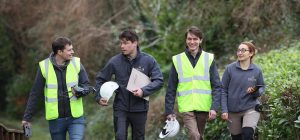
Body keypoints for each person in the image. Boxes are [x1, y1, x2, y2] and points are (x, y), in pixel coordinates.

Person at [95, 29, 164, 140]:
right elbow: (100, 79)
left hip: (140, 109)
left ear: (135, 43)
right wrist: (99, 96)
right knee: (120, 136)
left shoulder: (148, 60)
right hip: (120, 108)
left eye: (126, 43)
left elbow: (159, 81)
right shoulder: (114, 61)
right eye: (121, 43)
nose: (122, 46)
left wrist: (143, 91)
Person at [22, 37, 92, 140]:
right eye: (69, 50)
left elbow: (87, 85)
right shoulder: (44, 66)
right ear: (59, 51)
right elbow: (35, 93)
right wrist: (27, 118)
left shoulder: (76, 63)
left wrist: (81, 92)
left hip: (76, 118)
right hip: (56, 120)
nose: (72, 52)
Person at [164, 26, 222, 140]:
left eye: (195, 39)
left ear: (200, 40)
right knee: (194, 135)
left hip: (203, 105)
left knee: (199, 136)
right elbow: (171, 87)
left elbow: (216, 86)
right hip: (187, 106)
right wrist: (169, 111)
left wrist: (214, 107)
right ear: (186, 40)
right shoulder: (178, 60)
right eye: (189, 39)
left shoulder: (209, 58)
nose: (192, 42)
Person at [221, 41, 265, 140]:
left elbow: (261, 87)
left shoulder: (257, 70)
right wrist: (224, 110)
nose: (240, 53)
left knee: (248, 135)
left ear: (251, 53)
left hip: (251, 108)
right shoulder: (230, 69)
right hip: (233, 110)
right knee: (236, 138)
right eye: (238, 50)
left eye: (243, 50)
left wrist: (255, 90)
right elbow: (223, 90)